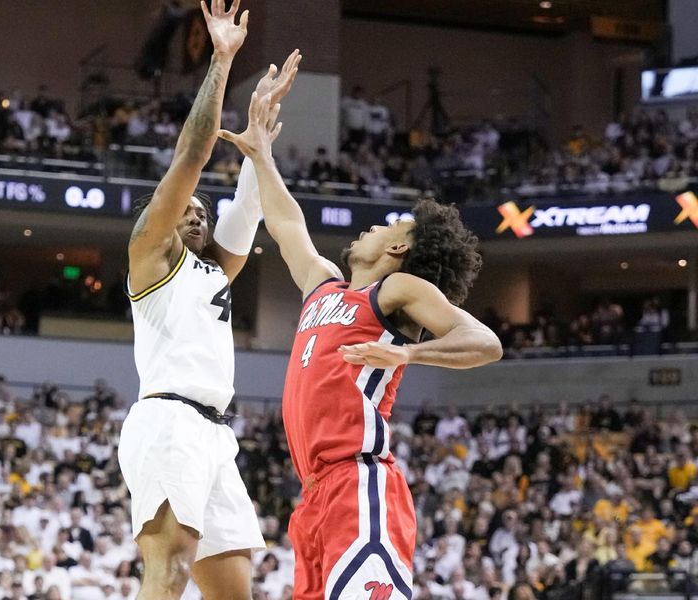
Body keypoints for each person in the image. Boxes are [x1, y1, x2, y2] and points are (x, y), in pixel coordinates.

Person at [218, 80, 502, 598]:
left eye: (387, 226)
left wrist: (410, 351)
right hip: (315, 495)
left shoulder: (397, 288)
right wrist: (261, 154)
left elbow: (484, 342)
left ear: (397, 247)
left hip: (358, 482)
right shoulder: (322, 283)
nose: (370, 227)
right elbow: (286, 223)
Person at [117, 3, 300, 599]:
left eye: (203, 211)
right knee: (167, 575)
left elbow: (248, 212)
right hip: (168, 419)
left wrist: (260, 144)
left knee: (233, 593)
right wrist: (221, 60)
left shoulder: (213, 270)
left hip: (216, 433)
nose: (198, 214)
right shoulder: (151, 254)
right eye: (187, 210)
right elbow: (191, 158)